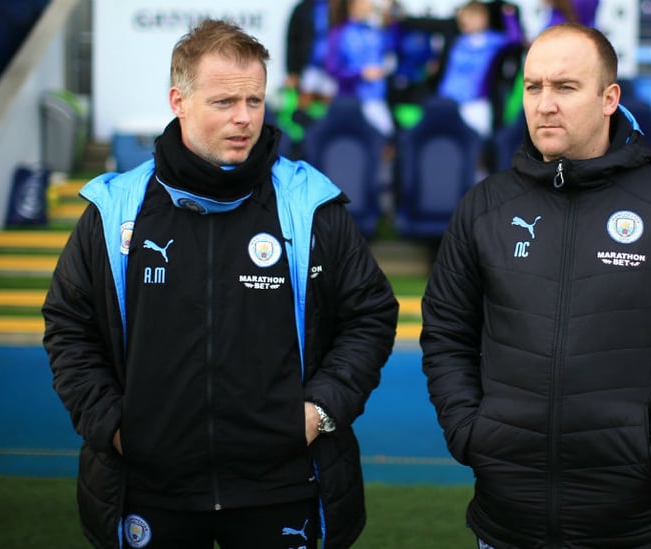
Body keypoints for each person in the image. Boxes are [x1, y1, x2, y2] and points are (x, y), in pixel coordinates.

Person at [42, 19, 398, 549]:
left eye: (255, 101)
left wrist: (319, 411)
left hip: (283, 490)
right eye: (225, 102)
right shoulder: (115, 208)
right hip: (149, 491)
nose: (244, 118)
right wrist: (110, 424)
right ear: (178, 101)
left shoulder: (309, 202)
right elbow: (70, 324)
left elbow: (370, 314)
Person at [420, 23, 651, 549]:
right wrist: (471, 433)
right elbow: (446, 332)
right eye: (533, 87)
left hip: (637, 525)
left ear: (609, 97)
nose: (544, 104)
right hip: (508, 523)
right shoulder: (484, 207)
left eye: (565, 87)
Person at [436, 0, 511, 138]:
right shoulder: (457, 41)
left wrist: (509, 14)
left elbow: (516, 39)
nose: (463, 23)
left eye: (468, 17)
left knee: (476, 148)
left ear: (482, 17)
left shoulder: (494, 41)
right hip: (449, 102)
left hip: (475, 104)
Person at [325, 0, 397, 138]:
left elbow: (392, 54)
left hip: (376, 100)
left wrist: (390, 21)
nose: (370, 5)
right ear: (352, 5)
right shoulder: (340, 33)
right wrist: (359, 74)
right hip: (351, 101)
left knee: (385, 141)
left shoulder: (376, 31)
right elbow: (332, 68)